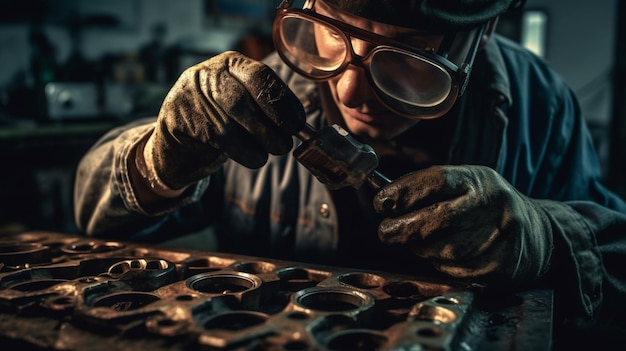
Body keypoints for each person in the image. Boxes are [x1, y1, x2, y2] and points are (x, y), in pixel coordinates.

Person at [74, 0, 626, 347]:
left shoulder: (541, 102)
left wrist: (547, 239)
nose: (349, 91)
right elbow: (94, 219)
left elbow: (617, 269)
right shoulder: (249, 97)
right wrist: (158, 161)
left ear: (477, 37)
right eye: (331, 30)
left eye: (407, 55)